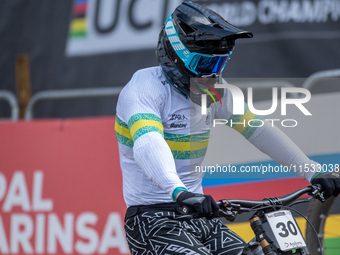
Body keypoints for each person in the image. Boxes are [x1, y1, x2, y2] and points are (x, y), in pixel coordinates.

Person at [115, 2, 340, 254]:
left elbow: (259, 130)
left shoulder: (216, 91)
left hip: (200, 216)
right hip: (152, 219)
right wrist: (177, 192)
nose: (212, 76)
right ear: (175, 54)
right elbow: (148, 142)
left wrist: (313, 171)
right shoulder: (144, 88)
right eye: (204, 65)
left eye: (218, 65)